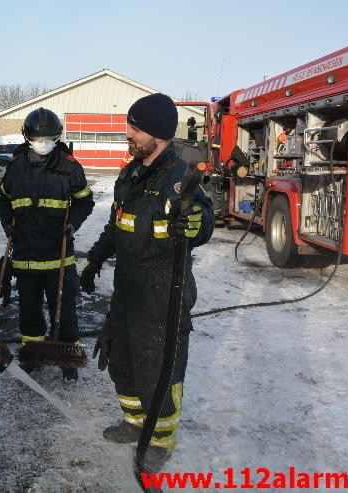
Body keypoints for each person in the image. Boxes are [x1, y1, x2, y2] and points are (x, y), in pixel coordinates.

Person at [81, 94, 214, 464]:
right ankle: (135, 421)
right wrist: (94, 258)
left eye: (135, 129)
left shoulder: (179, 177)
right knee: (120, 359)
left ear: (159, 134)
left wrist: (196, 224)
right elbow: (117, 224)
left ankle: (160, 440)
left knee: (159, 371)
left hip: (162, 294)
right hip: (128, 289)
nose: (128, 135)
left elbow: (205, 217)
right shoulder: (130, 173)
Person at [0, 107, 95, 381]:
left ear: (57, 137)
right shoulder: (15, 167)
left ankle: (67, 358)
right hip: (25, 255)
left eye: (50, 138)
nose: (44, 143)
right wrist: (8, 225)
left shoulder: (69, 167)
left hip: (58, 257)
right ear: (27, 137)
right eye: (39, 138)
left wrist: (73, 222)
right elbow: (4, 199)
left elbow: (85, 201)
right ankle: (35, 354)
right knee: (29, 309)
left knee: (64, 308)